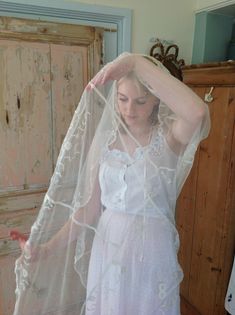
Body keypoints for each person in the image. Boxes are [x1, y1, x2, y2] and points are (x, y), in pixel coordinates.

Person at [11, 53, 210, 315]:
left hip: (150, 250)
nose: (129, 110)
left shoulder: (170, 138)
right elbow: (87, 211)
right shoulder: (104, 141)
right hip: (109, 246)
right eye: (122, 99)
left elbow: (198, 112)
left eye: (140, 101)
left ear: (155, 100)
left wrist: (135, 63)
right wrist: (45, 250)